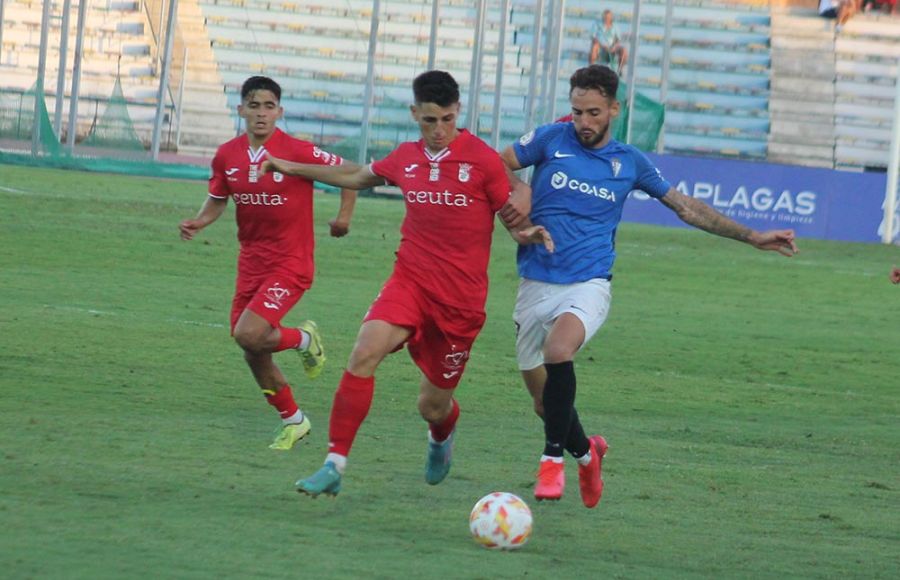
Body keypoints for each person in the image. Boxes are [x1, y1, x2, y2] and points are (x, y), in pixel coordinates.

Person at [499, 64, 799, 508]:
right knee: (547, 406)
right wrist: (517, 191)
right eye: (578, 111)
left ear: (614, 109)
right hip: (535, 281)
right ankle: (587, 455)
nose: (583, 122)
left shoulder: (629, 163)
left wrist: (751, 236)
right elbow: (494, 163)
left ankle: (551, 462)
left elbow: (686, 207)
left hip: (588, 283)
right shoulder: (548, 139)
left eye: (594, 112)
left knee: (558, 352)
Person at [260, 70, 553, 497]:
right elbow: (358, 176)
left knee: (431, 406)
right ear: (415, 113)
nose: (439, 130)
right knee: (363, 353)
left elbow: (511, 216)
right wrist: (288, 165)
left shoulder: (483, 160)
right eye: (429, 120)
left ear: (458, 113)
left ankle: (442, 433)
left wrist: (527, 233)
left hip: (460, 304)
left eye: (448, 120)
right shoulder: (405, 157)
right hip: (409, 283)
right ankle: (334, 463)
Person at [179, 76, 358, 452]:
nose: (261, 114)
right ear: (241, 109)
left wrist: (343, 217)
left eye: (269, 106)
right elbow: (218, 199)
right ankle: (294, 420)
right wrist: (200, 220)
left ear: (280, 111)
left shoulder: (297, 150)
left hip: (291, 262)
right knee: (251, 346)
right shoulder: (227, 155)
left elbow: (351, 172)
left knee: (249, 333)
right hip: (252, 262)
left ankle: (304, 339)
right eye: (254, 106)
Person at [589, 9, 628, 76]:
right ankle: (591, 69)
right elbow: (593, 37)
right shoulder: (597, 25)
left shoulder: (615, 26)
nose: (607, 19)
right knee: (595, 46)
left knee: (624, 50)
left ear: (611, 17)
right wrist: (602, 46)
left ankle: (620, 70)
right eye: (605, 17)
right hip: (600, 46)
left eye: (609, 17)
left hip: (612, 47)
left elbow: (618, 39)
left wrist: (614, 46)